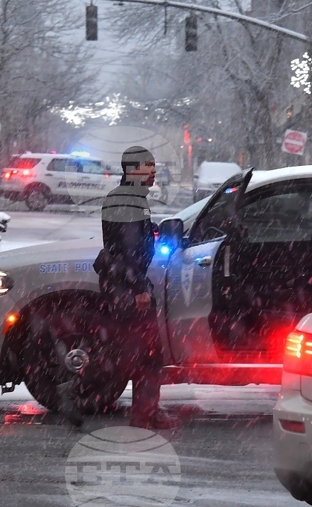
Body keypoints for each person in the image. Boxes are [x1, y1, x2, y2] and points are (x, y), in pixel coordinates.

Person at [90, 146, 180, 430]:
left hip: (121, 285)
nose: (154, 171)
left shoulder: (129, 198)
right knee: (147, 354)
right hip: (129, 288)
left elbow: (127, 243)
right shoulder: (128, 200)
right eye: (149, 166)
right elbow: (128, 251)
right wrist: (139, 288)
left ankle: (137, 409)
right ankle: (144, 413)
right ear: (133, 170)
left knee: (131, 351)